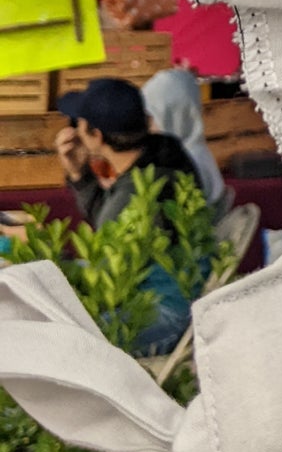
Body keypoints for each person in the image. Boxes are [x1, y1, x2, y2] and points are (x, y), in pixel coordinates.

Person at [53, 77, 204, 354]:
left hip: (163, 313)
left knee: (62, 342)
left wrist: (39, 251)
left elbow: (106, 276)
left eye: (77, 123)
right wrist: (79, 174)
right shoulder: (165, 153)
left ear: (96, 135)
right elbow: (110, 219)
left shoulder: (137, 191)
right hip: (175, 295)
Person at [142, 67, 229, 218]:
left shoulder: (186, 161)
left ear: (173, 116)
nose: (148, 126)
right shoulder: (197, 151)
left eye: (152, 117)